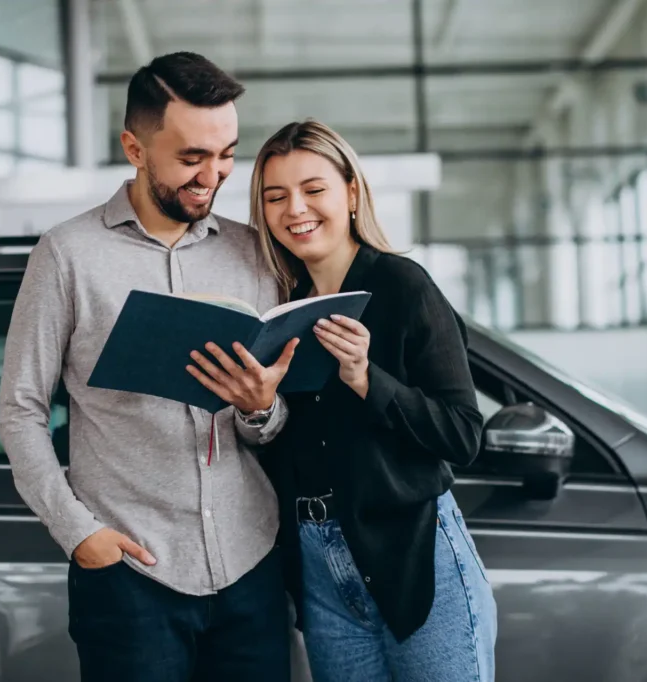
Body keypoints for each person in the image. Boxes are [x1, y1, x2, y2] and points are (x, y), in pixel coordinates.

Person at [0, 52, 298, 682]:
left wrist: (261, 407)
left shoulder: (254, 254)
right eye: (191, 158)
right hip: (132, 573)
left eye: (225, 155)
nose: (212, 176)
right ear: (134, 147)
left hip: (251, 567)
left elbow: (270, 421)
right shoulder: (67, 255)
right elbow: (21, 410)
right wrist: (77, 531)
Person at [196, 118, 498, 681]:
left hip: (413, 552)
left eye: (314, 190)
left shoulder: (404, 287)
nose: (295, 210)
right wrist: (255, 406)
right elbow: (281, 447)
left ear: (351, 192)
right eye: (276, 196)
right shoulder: (278, 308)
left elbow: (462, 435)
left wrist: (366, 378)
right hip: (316, 562)